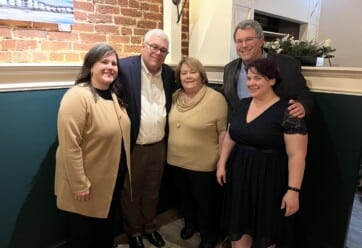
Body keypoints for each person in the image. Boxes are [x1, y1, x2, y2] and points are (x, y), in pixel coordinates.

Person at [216, 58, 308, 248]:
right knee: (239, 229)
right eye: (249, 78)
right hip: (239, 176)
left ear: (272, 80)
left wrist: (293, 191)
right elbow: (231, 137)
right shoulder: (242, 105)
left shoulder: (289, 111)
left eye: (257, 78)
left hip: (270, 181)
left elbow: (297, 155)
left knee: (267, 232)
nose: (251, 83)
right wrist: (221, 164)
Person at [55, 44, 131, 248]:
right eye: (104, 62)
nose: (110, 67)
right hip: (87, 185)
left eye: (114, 63)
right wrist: (79, 184)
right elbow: (69, 145)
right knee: (84, 237)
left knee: (104, 233)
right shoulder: (77, 96)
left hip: (109, 182)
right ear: (91, 66)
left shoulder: (113, 95)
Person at [118, 29, 176, 248]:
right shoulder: (124, 68)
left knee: (153, 190)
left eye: (163, 50)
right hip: (134, 145)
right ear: (143, 45)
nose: (158, 53)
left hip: (159, 144)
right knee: (130, 192)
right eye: (154, 47)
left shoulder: (169, 74)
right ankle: (133, 233)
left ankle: (150, 227)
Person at [167, 57, 228, 248]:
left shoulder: (215, 99)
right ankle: (190, 224)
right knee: (185, 199)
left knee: (206, 204)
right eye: (183, 73)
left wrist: (221, 163)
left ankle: (209, 236)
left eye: (192, 72)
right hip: (175, 160)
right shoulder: (175, 96)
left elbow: (223, 133)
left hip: (204, 164)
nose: (188, 76)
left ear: (201, 75)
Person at [223, 19, 314, 118]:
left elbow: (304, 94)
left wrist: (303, 105)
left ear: (261, 40)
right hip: (239, 129)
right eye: (239, 41)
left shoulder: (287, 65)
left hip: (274, 129)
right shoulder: (229, 69)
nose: (244, 45)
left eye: (249, 39)